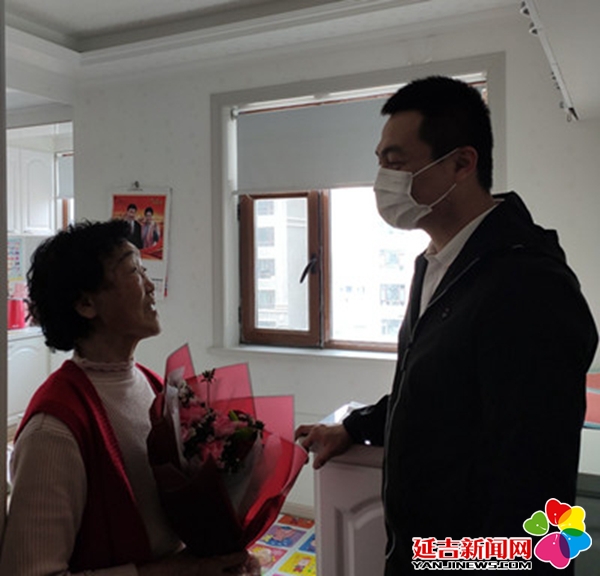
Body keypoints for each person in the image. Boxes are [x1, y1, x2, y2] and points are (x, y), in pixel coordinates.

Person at [296, 76, 598, 575]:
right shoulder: (439, 263)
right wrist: (353, 426)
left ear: (462, 163)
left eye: (396, 162)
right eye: (379, 162)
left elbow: (532, 484)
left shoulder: (528, 286)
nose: (381, 179)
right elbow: (435, 394)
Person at [0, 220, 259, 576]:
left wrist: (221, 557)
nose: (151, 286)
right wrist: (180, 571)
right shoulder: (53, 431)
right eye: (134, 271)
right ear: (86, 303)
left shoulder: (152, 386)